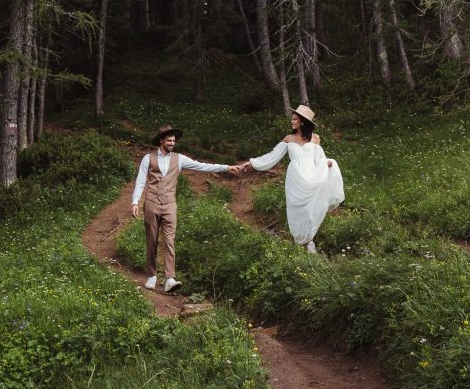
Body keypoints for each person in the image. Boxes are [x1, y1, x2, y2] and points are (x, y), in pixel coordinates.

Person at [131, 124, 238, 292]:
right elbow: (140, 181)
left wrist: (226, 167)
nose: (172, 143)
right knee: (151, 240)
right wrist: (135, 202)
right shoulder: (148, 158)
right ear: (161, 140)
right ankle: (152, 275)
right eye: (169, 140)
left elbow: (202, 166)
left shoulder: (179, 159)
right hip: (151, 203)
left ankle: (170, 278)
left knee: (170, 240)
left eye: (174, 141)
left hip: (170, 204)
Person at [238, 104, 344, 253]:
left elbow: (319, 159)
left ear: (303, 122)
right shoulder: (289, 139)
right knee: (296, 208)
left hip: (311, 175)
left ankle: (310, 240)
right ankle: (299, 240)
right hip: (295, 179)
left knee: (311, 208)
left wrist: (326, 163)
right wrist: (252, 163)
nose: (292, 121)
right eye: (292, 119)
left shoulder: (315, 138)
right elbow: (272, 156)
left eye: (295, 119)